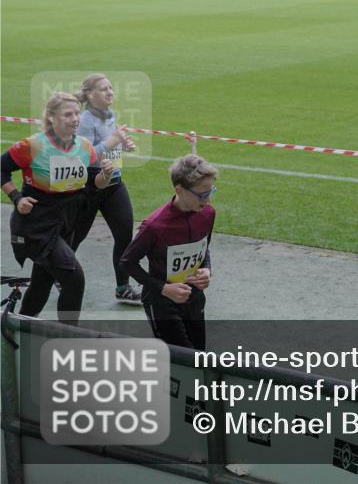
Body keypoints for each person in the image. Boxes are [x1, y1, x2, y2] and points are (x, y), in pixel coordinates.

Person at [1, 92, 116, 325]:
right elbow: (2, 168)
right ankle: (67, 335)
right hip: (36, 224)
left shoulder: (84, 146)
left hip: (67, 221)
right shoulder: (32, 145)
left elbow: (95, 183)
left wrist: (105, 175)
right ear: (51, 118)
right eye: (68, 114)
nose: (75, 119)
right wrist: (16, 197)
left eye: (76, 113)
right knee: (74, 279)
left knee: (43, 279)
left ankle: (21, 324)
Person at [120, 154, 217, 350]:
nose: (207, 200)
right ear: (179, 190)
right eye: (202, 194)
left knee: (199, 356)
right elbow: (127, 262)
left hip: (194, 297)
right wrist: (164, 288)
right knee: (179, 358)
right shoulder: (155, 226)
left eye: (211, 192)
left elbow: (203, 245)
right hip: (162, 303)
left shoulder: (207, 213)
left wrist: (206, 269)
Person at [70, 74, 142, 305]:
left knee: (124, 235)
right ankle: (58, 272)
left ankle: (123, 287)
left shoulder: (111, 115)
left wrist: (122, 145)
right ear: (90, 95)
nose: (110, 92)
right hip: (90, 186)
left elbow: (109, 148)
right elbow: (85, 155)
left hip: (113, 182)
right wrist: (111, 142)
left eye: (111, 88)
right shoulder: (84, 121)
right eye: (104, 89)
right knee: (75, 237)